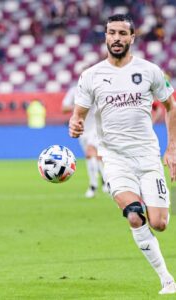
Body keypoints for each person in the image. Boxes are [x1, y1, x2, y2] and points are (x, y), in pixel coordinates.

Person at [69, 14, 176, 294]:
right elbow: (77, 115)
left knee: (159, 223)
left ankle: (153, 211)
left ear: (132, 38)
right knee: (133, 215)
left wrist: (172, 148)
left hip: (148, 157)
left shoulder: (151, 71)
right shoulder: (91, 76)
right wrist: (75, 124)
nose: (116, 38)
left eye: (122, 33)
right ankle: (166, 278)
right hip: (115, 159)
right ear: (105, 37)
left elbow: (170, 107)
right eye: (111, 33)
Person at [62, 85, 107, 197]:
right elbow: (64, 108)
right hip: (82, 129)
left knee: (91, 153)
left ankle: (93, 186)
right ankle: (105, 181)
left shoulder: (97, 88)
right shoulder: (74, 90)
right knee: (95, 157)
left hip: (96, 127)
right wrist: (79, 107)